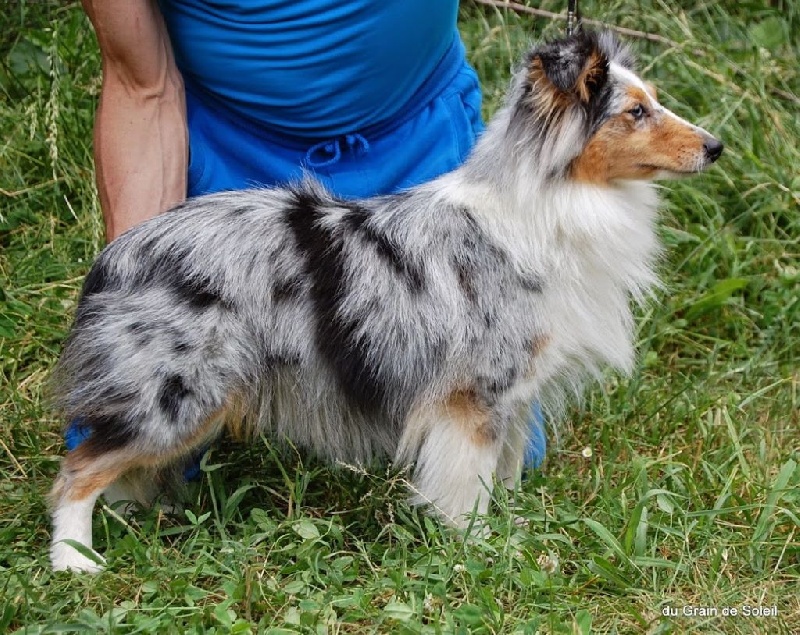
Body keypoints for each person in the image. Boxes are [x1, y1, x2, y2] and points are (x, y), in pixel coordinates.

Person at [67, 0, 547, 474]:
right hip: (236, 180)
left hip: (421, 161)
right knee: (148, 434)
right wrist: (139, 335)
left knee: (498, 431)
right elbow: (140, 85)